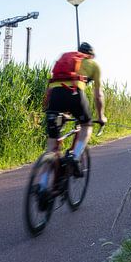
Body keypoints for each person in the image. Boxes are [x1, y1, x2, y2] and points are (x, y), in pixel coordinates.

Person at [45, 42, 107, 177]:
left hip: (55, 95)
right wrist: (101, 116)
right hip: (74, 94)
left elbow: (58, 86)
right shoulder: (93, 65)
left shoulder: (67, 62)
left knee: (52, 143)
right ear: (90, 55)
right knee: (86, 125)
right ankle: (75, 156)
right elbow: (98, 95)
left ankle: (43, 184)